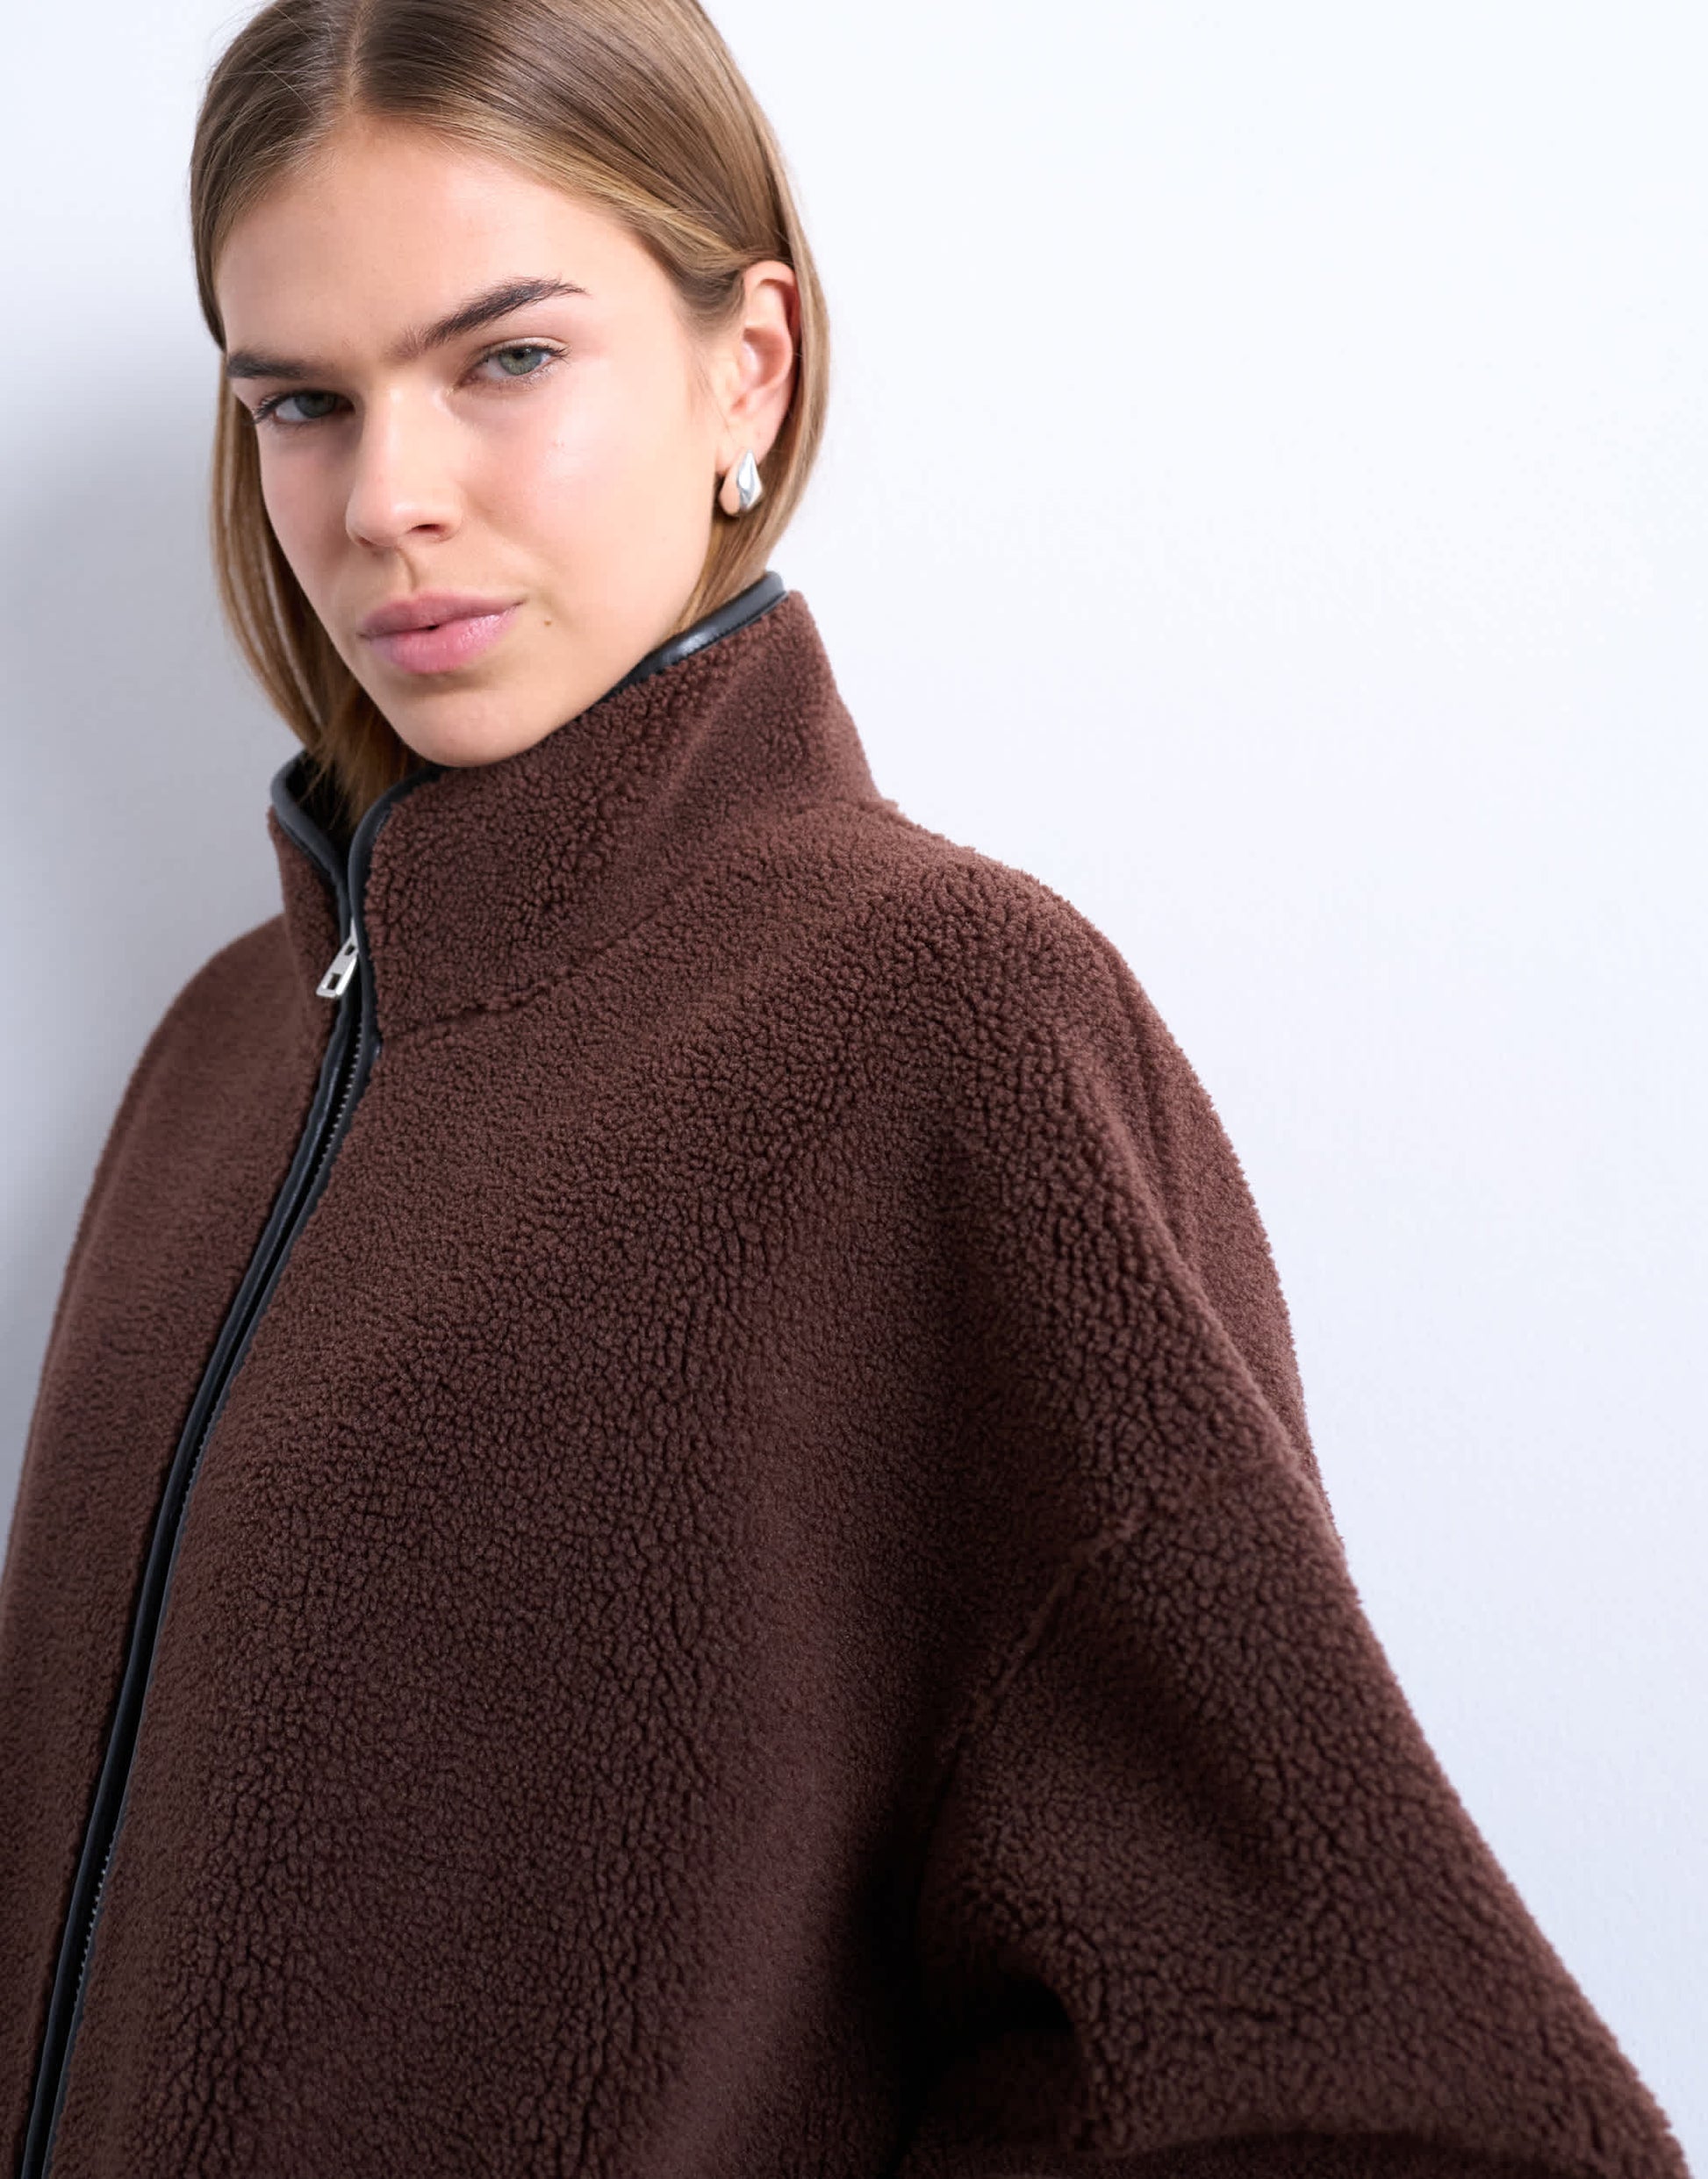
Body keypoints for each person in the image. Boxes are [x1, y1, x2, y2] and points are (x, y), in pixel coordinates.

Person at [0, 0, 1689, 2174]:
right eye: (303, 404)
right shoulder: (217, 1061)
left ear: (750, 367)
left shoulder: (936, 1025)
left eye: (506, 359)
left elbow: (1350, 2072)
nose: (389, 499)